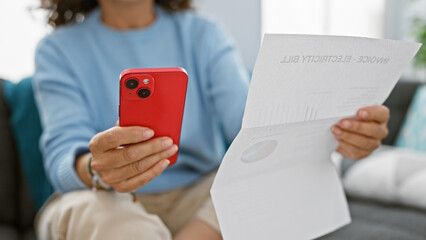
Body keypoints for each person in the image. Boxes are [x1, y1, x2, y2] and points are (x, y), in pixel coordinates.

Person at [33, 0, 390, 239]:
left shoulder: (203, 32)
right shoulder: (58, 48)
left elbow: (251, 127)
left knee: (264, 181)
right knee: (105, 218)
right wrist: (96, 168)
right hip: (101, 196)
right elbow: (63, 151)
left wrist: (336, 136)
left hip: (199, 193)